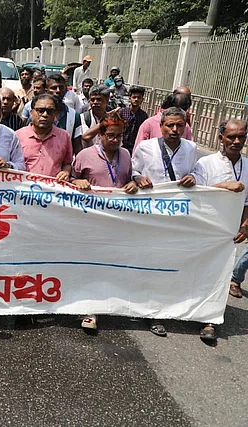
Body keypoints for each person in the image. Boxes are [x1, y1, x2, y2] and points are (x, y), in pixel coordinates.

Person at [72, 111, 138, 331]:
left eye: (119, 136)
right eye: (111, 135)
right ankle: (88, 309)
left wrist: (134, 184)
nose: (115, 140)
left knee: (109, 265)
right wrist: (78, 181)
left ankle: (106, 303)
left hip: (116, 223)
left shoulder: (126, 155)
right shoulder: (85, 155)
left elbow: (129, 179)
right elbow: (70, 179)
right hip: (88, 222)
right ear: (100, 134)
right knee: (89, 265)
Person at [192, 119, 248, 342]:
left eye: (241, 137)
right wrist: (224, 186)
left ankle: (210, 319)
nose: (236, 141)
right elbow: (196, 193)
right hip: (204, 228)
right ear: (220, 138)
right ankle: (187, 309)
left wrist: (245, 225)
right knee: (197, 270)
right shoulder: (206, 164)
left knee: (220, 275)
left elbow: (247, 202)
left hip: (229, 234)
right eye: (231, 137)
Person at [132, 107, 197, 190]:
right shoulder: (145, 147)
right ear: (161, 126)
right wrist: (139, 179)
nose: (175, 129)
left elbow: (196, 172)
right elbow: (133, 171)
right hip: (151, 199)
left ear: (185, 126)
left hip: (180, 200)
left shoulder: (191, 148)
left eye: (179, 125)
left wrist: (193, 177)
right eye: (170, 125)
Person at [15, 94, 72, 181]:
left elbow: (67, 163)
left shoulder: (64, 136)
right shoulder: (17, 136)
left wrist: (66, 172)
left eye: (50, 111)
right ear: (31, 113)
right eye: (40, 111)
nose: (45, 115)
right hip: (24, 190)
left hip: (53, 190)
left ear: (55, 115)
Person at [46, 73, 83, 155]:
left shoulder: (74, 115)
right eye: (54, 88)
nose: (58, 91)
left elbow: (77, 146)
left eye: (61, 87)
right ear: (46, 90)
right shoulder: (38, 114)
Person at [119, 86, 149, 154]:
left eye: (139, 97)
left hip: (135, 148)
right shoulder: (122, 112)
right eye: (134, 97)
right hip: (121, 146)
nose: (136, 99)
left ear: (142, 99)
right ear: (130, 98)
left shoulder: (144, 116)